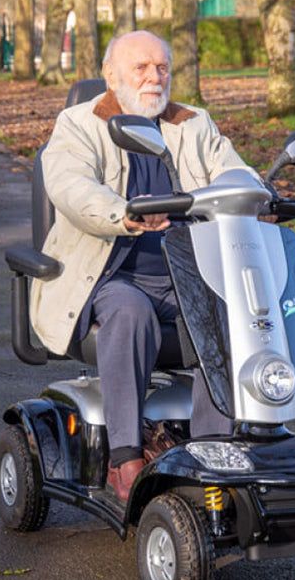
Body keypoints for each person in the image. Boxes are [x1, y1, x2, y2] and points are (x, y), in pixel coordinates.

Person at [29, 30, 259, 501]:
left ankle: (212, 455)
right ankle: (126, 460)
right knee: (131, 311)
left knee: (229, 310)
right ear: (111, 75)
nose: (155, 77)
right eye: (141, 68)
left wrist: (257, 198)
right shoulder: (78, 124)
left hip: (183, 274)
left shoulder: (193, 124)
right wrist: (123, 213)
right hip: (110, 276)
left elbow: (233, 170)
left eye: (162, 68)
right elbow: (71, 187)